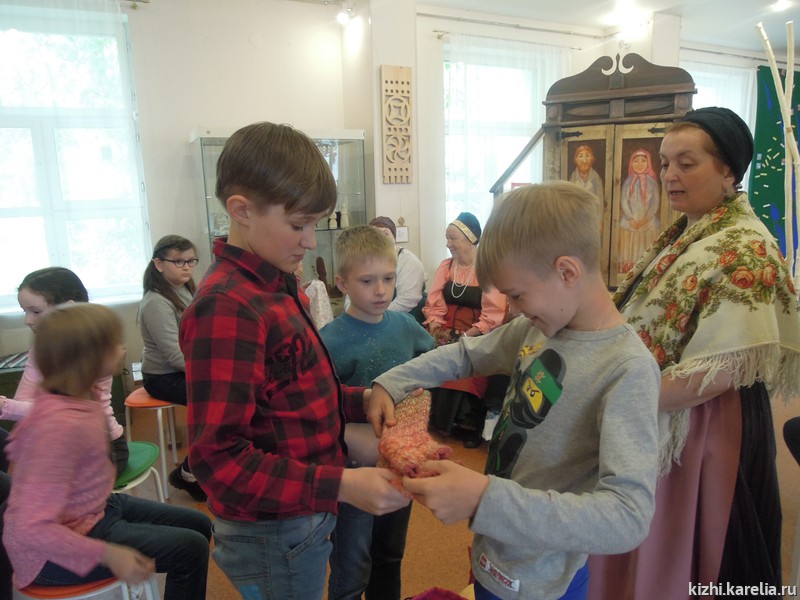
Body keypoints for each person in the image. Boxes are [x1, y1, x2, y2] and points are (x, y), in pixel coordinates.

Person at [368, 181, 661, 600]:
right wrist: (393, 380)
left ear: (567, 272)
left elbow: (627, 516)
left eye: (518, 295)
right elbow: (465, 355)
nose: (515, 310)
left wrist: (486, 500)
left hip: (543, 579)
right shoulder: (535, 326)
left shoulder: (627, 369)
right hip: (495, 549)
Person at [179, 121, 411, 599]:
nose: (310, 241)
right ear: (242, 210)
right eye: (298, 225)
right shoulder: (227, 306)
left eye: (315, 224)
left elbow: (292, 394)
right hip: (271, 528)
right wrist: (341, 485)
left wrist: (360, 400)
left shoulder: (274, 284)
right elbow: (218, 459)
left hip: (300, 512)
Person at [587, 107, 800, 598]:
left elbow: (723, 368)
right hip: (665, 401)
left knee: (694, 549)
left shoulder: (744, 246)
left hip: (707, 420)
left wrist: (625, 396)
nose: (669, 175)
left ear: (728, 171)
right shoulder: (690, 230)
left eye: (686, 163)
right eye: (665, 163)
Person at [2, 303, 211, 598]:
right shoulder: (58, 429)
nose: (122, 348)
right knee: (191, 549)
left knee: (199, 524)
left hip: (92, 510)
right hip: (50, 556)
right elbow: (31, 529)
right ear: (88, 358)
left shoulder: (80, 397)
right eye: (114, 343)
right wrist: (108, 554)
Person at [320, 225, 435, 600]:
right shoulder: (329, 339)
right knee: (352, 562)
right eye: (368, 281)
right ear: (342, 283)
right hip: (355, 467)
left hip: (399, 462)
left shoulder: (405, 326)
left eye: (388, 278)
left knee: (390, 553)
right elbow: (321, 403)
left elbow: (431, 360)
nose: (381, 290)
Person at [0, 267, 128, 478]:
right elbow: (24, 400)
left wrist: (6, 407)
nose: (28, 320)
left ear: (69, 308)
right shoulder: (40, 349)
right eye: (25, 311)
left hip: (102, 448)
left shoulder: (94, 351)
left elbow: (64, 411)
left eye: (36, 311)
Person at [423, 211, 507, 447]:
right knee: (433, 356)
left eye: (453, 238)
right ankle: (438, 421)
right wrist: (435, 326)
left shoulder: (488, 269)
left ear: (471, 239)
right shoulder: (446, 266)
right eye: (447, 238)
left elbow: (493, 314)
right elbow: (435, 302)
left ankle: (468, 424)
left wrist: (466, 336)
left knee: (467, 364)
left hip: (477, 331)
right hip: (446, 327)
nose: (448, 244)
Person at [137, 234, 205, 501]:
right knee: (216, 402)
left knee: (228, 398)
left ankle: (202, 466)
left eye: (191, 261)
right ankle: (188, 472)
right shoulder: (156, 302)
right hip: (162, 377)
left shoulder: (186, 289)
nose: (186, 267)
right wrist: (212, 373)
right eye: (178, 262)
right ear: (159, 264)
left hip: (183, 369)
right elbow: (175, 356)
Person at [370, 216, 427, 322]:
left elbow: (407, 301)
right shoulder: (366, 261)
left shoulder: (408, 261)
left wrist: (375, 317)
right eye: (375, 235)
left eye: (385, 233)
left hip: (407, 319)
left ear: (394, 237)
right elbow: (353, 295)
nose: (380, 238)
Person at [617, 147, 660, 275]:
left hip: (647, 223)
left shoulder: (652, 183)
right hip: (630, 223)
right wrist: (630, 218)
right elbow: (623, 201)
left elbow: (655, 203)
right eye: (636, 161)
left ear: (648, 163)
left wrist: (646, 219)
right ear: (631, 163)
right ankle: (627, 271)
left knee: (644, 247)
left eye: (643, 161)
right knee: (629, 247)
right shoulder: (628, 182)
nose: (640, 164)